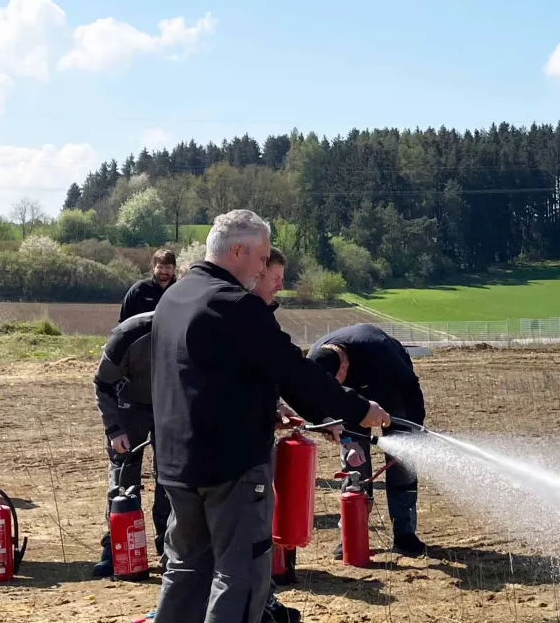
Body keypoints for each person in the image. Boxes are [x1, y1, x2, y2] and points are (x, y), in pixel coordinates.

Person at [150, 209, 390, 622]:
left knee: (186, 571)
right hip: (231, 468)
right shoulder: (234, 304)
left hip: (176, 467)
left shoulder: (177, 296)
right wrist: (357, 410)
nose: (265, 268)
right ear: (238, 251)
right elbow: (293, 370)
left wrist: (271, 408)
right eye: (262, 259)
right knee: (239, 574)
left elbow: (209, 376)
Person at [307, 323, 429, 558]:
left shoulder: (379, 348)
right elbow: (312, 396)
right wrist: (328, 422)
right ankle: (351, 536)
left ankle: (405, 535)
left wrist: (416, 427)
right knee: (354, 466)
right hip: (349, 403)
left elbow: (410, 385)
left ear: (343, 365)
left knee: (402, 464)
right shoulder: (315, 359)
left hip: (393, 392)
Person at [88, 309, 168, 577]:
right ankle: (114, 548)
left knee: (171, 479)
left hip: (169, 406)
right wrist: (114, 429)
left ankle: (171, 550)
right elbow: (102, 383)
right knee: (124, 478)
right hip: (128, 407)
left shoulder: (196, 328)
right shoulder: (129, 334)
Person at [118, 248, 177, 322]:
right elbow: (123, 321)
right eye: (160, 267)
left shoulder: (181, 290)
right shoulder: (139, 289)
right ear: (153, 267)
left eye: (168, 267)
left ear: (174, 268)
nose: (164, 271)